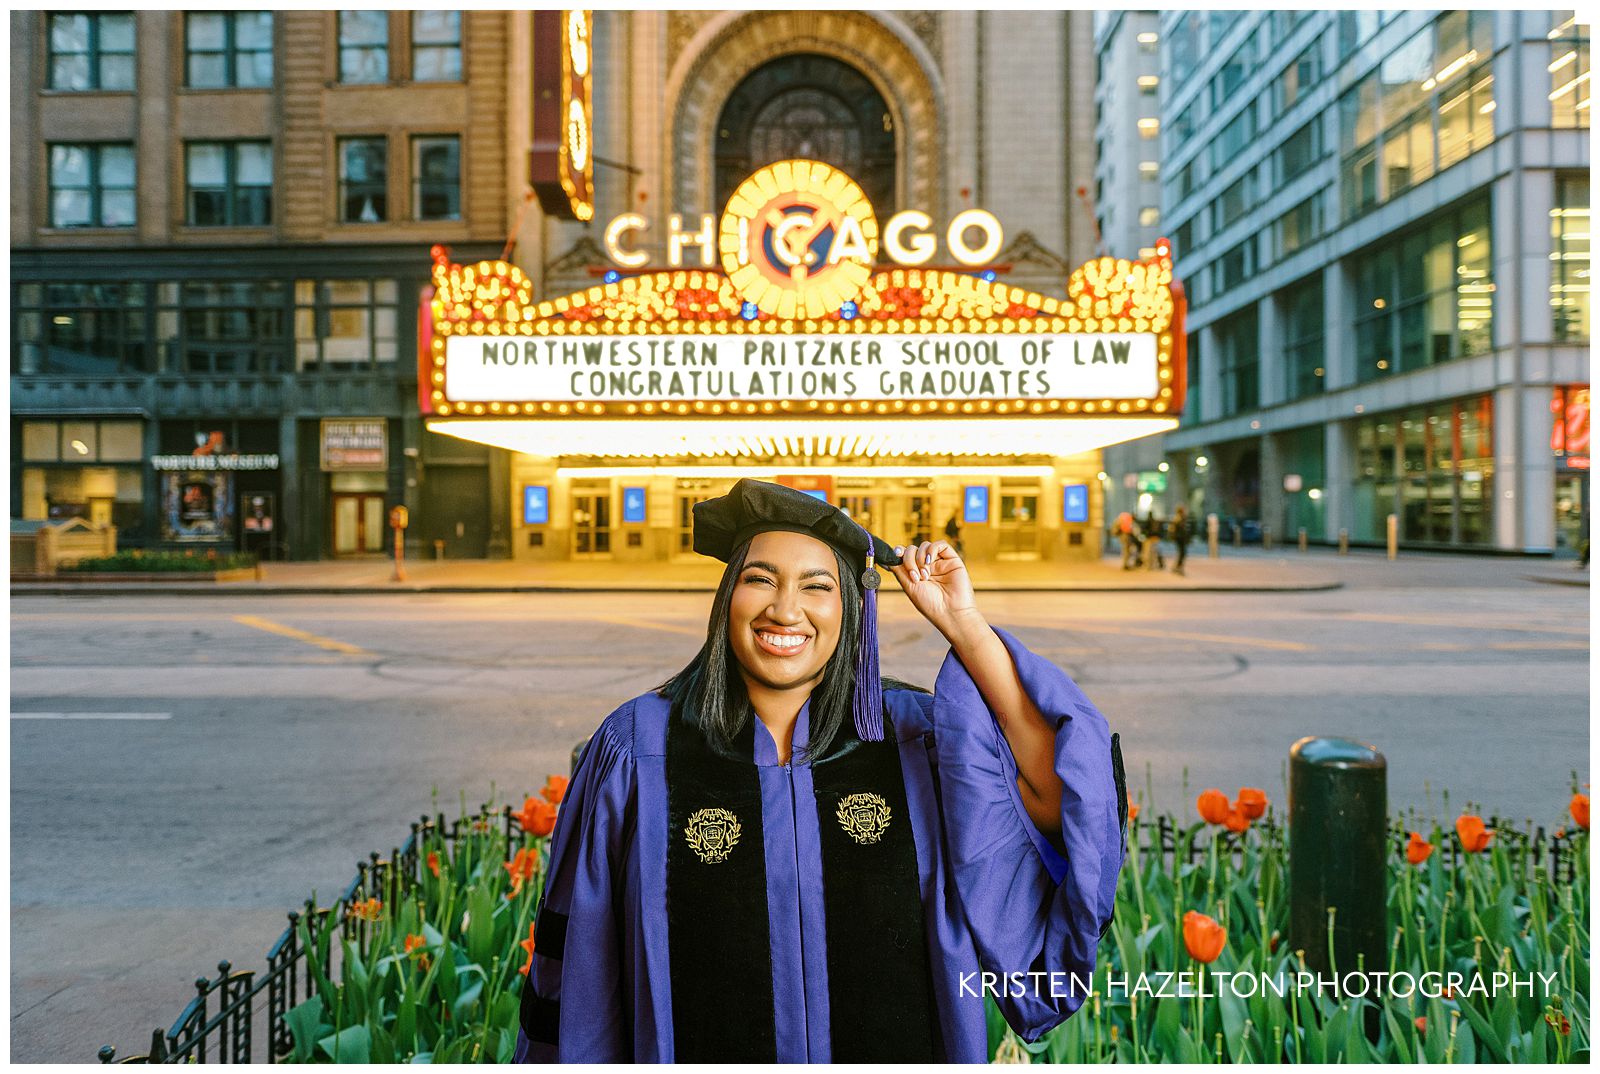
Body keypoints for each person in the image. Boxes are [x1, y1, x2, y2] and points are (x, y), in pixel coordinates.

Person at [513, 479, 1126, 1062]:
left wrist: (964, 625)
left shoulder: (914, 739)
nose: (785, 609)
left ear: (850, 609)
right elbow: (581, 965)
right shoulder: (641, 747)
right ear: (728, 597)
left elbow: (1057, 800)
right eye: (760, 579)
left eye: (816, 586)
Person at [1171, 506, 1192, 576]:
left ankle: (1177, 567)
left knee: (1182, 553)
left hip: (1180, 538)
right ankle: (1178, 567)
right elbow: (1179, 530)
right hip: (1180, 539)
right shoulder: (1179, 519)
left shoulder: (1179, 518)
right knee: (1182, 553)